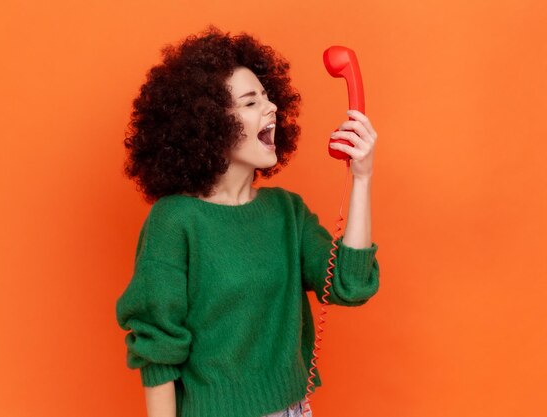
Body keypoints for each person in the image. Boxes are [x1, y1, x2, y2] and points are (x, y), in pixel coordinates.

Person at [115, 25, 380, 417]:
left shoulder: (287, 212)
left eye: (268, 97)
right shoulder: (175, 221)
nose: (271, 107)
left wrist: (362, 177)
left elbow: (352, 285)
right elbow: (158, 349)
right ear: (209, 122)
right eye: (251, 102)